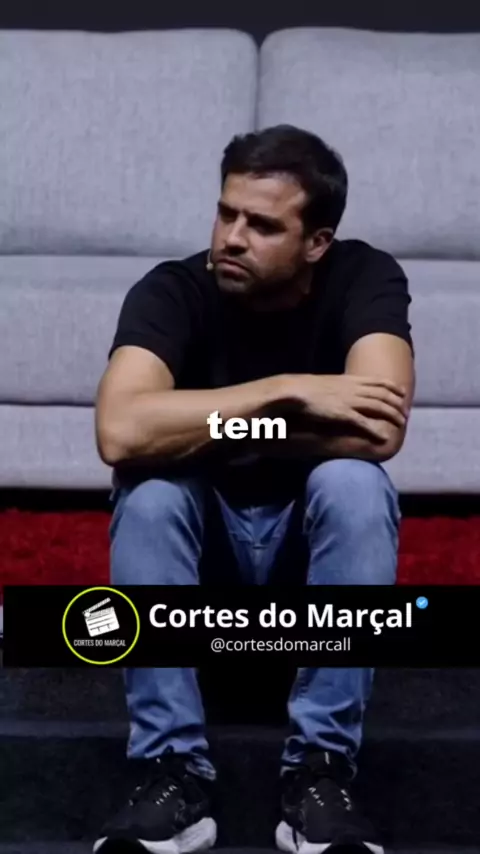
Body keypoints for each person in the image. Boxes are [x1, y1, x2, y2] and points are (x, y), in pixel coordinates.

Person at [93, 124, 415, 854]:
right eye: (226, 213)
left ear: (317, 243)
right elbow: (119, 431)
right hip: (202, 578)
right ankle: (171, 774)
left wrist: (203, 426)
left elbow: (377, 430)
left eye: (263, 225)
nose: (232, 238)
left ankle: (319, 775)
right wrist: (284, 391)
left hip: (307, 575)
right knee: (151, 492)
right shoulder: (173, 290)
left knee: (355, 483)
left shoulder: (364, 278)